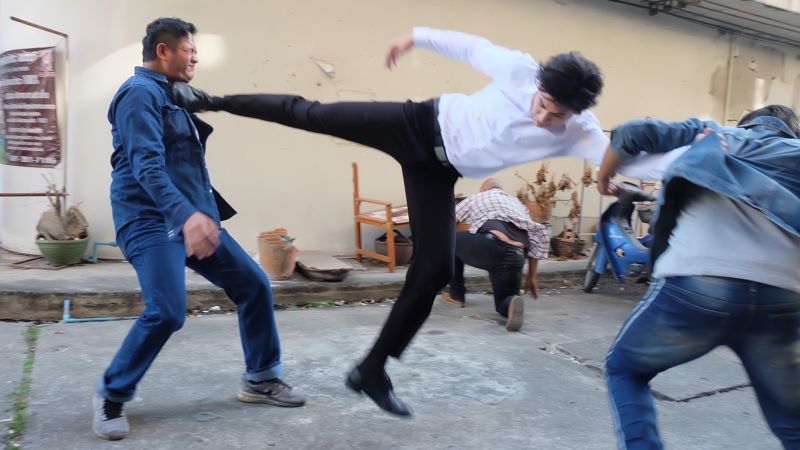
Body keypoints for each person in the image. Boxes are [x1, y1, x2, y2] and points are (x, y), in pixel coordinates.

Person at [172, 26, 672, 417]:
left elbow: (638, 160)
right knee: (312, 113)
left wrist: (695, 157)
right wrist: (414, 37)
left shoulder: (581, 130)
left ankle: (372, 369)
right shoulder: (520, 70)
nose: (544, 119)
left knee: (433, 270)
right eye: (543, 105)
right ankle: (213, 101)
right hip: (415, 124)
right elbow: (470, 47)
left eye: (557, 116)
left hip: (438, 172)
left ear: (576, 113)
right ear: (539, 84)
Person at [95, 18, 306, 441]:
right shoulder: (139, 94)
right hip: (150, 220)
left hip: (192, 218)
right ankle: (111, 395)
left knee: (253, 285)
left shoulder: (171, 94)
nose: (196, 58)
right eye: (189, 50)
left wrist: (197, 214)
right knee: (167, 311)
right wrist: (186, 216)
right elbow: (147, 166)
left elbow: (196, 127)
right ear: (163, 51)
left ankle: (261, 378)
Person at [597, 105, 800, 449]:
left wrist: (603, 179)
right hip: (783, 296)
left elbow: (632, 134)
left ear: (747, 123)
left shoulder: (715, 132)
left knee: (625, 368)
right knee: (793, 423)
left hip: (697, 282)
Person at [441, 178, 549, 332]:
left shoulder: (478, 197)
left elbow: (449, 219)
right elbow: (534, 239)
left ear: (484, 190)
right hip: (517, 254)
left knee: (450, 241)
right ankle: (511, 303)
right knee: (503, 302)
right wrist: (532, 276)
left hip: (492, 245)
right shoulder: (518, 204)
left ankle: (456, 296)